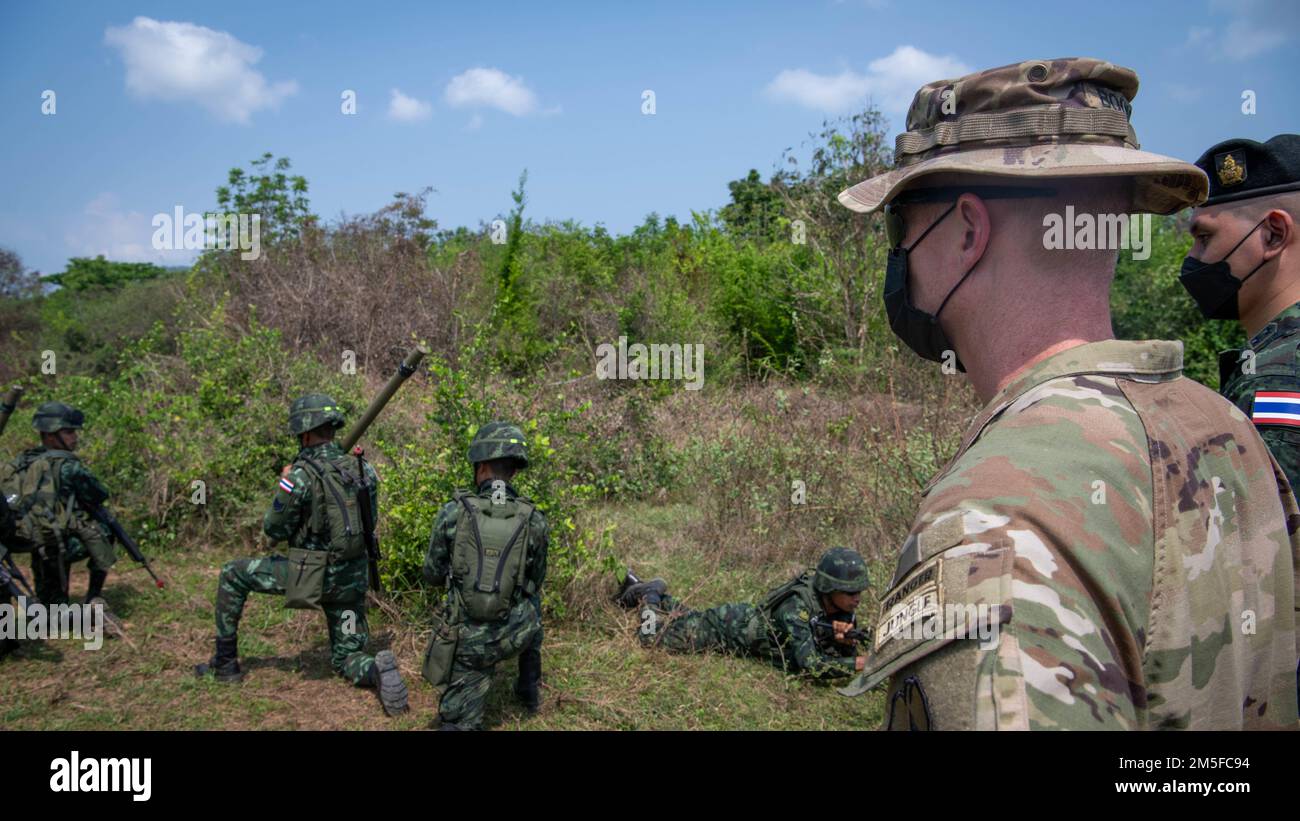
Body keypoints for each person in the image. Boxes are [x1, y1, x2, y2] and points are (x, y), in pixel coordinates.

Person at [834, 58, 1298, 729]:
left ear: (966, 231)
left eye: (901, 222)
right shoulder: (1229, 429)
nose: (899, 249)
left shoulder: (990, 521)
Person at [195, 393, 409, 717]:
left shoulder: (298, 477)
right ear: (332, 429)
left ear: (305, 434)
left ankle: (225, 663)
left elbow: (274, 528)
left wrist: (284, 484)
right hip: (351, 578)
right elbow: (370, 521)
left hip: (309, 577)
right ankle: (375, 671)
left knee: (231, 573)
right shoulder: (365, 469)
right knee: (347, 655)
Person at [1180, 134, 1300, 493]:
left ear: (1273, 235)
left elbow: (1265, 544)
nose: (1192, 259)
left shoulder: (1276, 380)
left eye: (1204, 238)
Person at [423, 422, 548, 730]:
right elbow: (536, 580)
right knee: (534, 602)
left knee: (458, 721)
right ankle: (529, 686)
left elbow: (432, 574)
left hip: (469, 644)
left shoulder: (453, 512)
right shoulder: (535, 519)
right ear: (514, 472)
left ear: (480, 468)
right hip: (515, 634)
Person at [618, 546, 870, 680]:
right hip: (727, 629)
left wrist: (846, 644)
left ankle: (646, 591)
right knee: (649, 637)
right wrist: (858, 663)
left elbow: (825, 649)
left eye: (859, 591)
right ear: (829, 588)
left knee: (686, 619)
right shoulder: (798, 608)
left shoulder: (838, 608)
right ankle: (649, 595)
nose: (857, 598)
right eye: (850, 592)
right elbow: (811, 666)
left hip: (736, 622)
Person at [4, 402, 118, 617]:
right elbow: (99, 494)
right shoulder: (69, 466)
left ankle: (47, 598)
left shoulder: (21, 462)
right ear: (49, 435)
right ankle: (93, 597)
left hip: (27, 542)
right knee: (105, 529)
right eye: (68, 432)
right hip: (55, 545)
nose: (74, 437)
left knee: (52, 609)